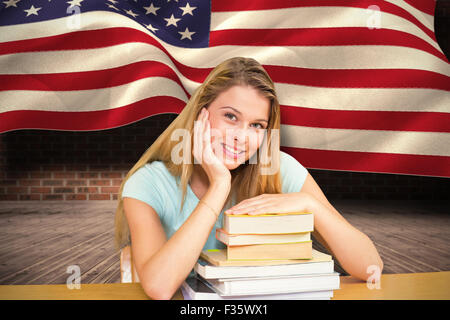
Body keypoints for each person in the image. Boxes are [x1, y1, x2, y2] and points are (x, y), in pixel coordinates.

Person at [114, 57, 383, 300]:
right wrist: (219, 185)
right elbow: (159, 288)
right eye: (231, 117)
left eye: (256, 125)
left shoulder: (279, 169)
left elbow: (370, 267)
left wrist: (309, 204)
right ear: (200, 114)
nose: (241, 137)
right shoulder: (147, 183)